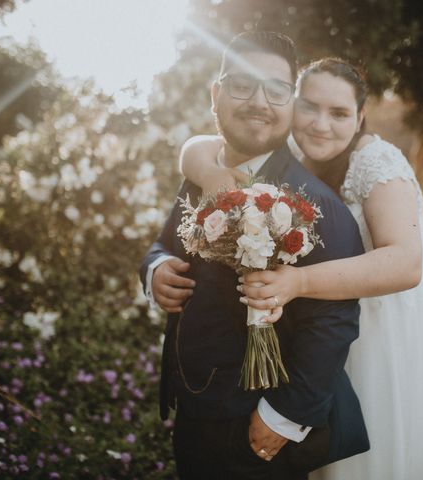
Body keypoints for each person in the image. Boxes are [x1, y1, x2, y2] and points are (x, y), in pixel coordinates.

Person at [179, 58, 423, 479]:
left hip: (387, 325)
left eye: (339, 113)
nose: (321, 124)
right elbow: (199, 143)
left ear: (360, 118)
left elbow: (404, 263)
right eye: (310, 107)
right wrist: (209, 172)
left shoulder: (377, 161)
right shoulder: (292, 149)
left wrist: (299, 281)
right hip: (328, 321)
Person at [139, 33, 369, 480]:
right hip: (191, 407)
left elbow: (334, 321)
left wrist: (283, 415)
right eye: (242, 84)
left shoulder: (320, 207)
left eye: (276, 89)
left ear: (290, 101)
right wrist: (156, 269)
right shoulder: (202, 176)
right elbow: (164, 242)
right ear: (216, 94)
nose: (259, 101)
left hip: (255, 429)